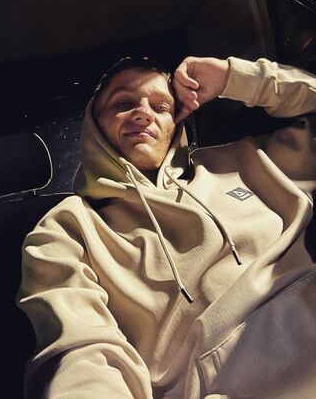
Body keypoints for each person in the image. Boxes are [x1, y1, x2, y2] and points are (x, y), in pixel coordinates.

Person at [17, 55, 316, 399]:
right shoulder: (67, 227)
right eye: (124, 103)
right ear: (94, 125)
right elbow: (83, 349)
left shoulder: (246, 161)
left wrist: (234, 78)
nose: (143, 113)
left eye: (160, 107)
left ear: (176, 123)